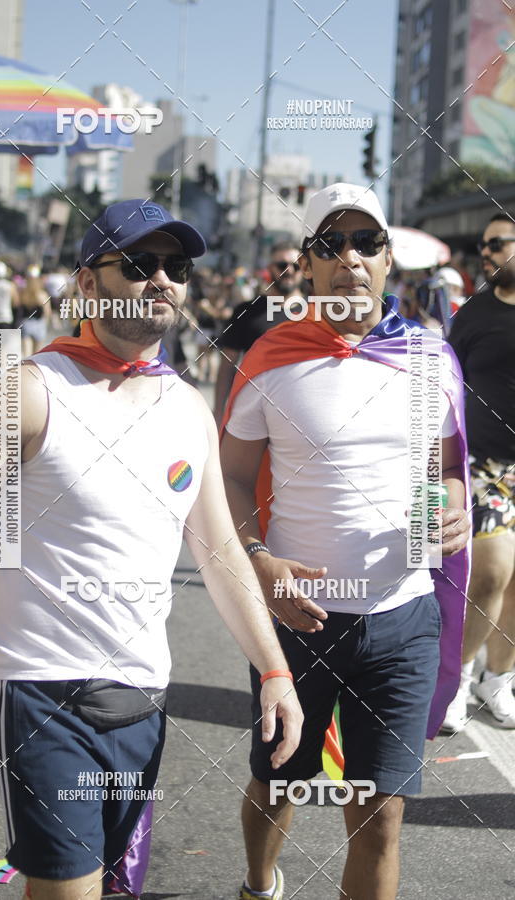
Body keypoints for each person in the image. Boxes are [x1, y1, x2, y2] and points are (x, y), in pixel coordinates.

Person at [0, 200, 303, 900]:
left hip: (143, 696)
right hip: (40, 692)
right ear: (87, 284)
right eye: (138, 263)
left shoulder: (187, 408)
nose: (162, 278)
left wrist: (274, 670)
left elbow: (217, 553)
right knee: (70, 888)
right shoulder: (28, 392)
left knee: (116, 887)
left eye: (175, 266)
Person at [220, 183, 470, 900]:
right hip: (299, 621)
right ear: (308, 264)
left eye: (366, 243)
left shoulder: (430, 358)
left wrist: (453, 505)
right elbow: (231, 480)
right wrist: (259, 563)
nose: (349, 259)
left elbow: (447, 468)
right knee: (278, 785)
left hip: (404, 619)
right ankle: (259, 881)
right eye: (331, 244)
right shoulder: (271, 357)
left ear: (389, 260)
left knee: (380, 815)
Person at [443, 212, 515, 732]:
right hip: (486, 465)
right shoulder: (472, 315)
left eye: (495, 244)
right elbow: (446, 386)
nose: (485, 254)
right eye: (483, 246)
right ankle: (458, 678)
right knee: (490, 573)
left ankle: (499, 678)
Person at [213, 242, 303, 425]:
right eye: (282, 265)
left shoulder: (318, 311)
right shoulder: (246, 311)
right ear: (270, 268)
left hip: (301, 415)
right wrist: (219, 412)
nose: (289, 271)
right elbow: (227, 367)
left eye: (296, 266)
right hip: (253, 415)